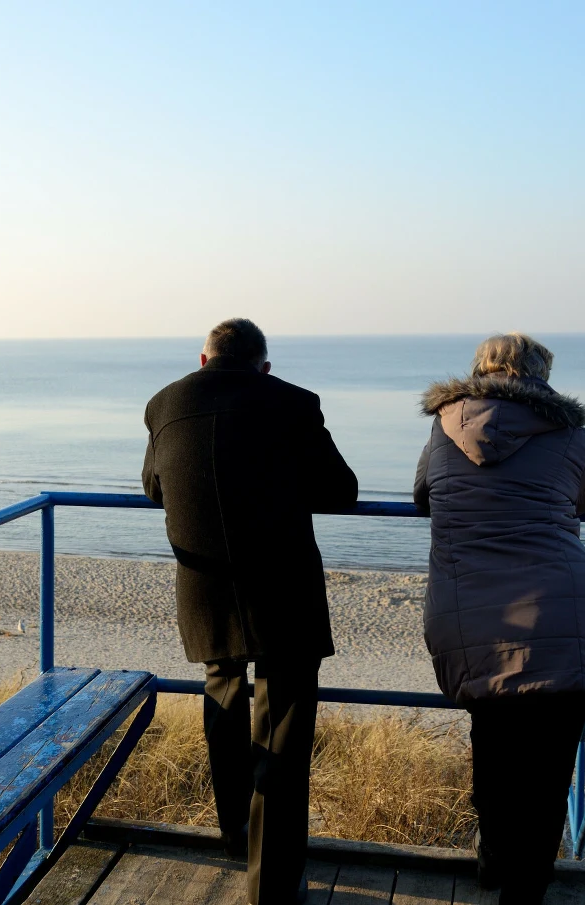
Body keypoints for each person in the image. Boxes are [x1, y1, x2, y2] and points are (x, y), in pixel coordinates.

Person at [142, 318, 357, 905]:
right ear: (264, 367)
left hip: (206, 588)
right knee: (283, 729)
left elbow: (153, 486)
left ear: (204, 360)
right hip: (283, 592)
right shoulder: (294, 402)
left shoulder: (164, 403)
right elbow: (342, 489)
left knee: (224, 700)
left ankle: (234, 833)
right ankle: (273, 887)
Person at [413, 332, 585, 905]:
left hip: (472, 609)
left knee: (494, 753)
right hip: (563, 603)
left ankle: (492, 861)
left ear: (478, 370)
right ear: (542, 377)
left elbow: (425, 492)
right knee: (549, 777)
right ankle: (522, 893)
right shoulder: (573, 432)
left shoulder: (445, 424)